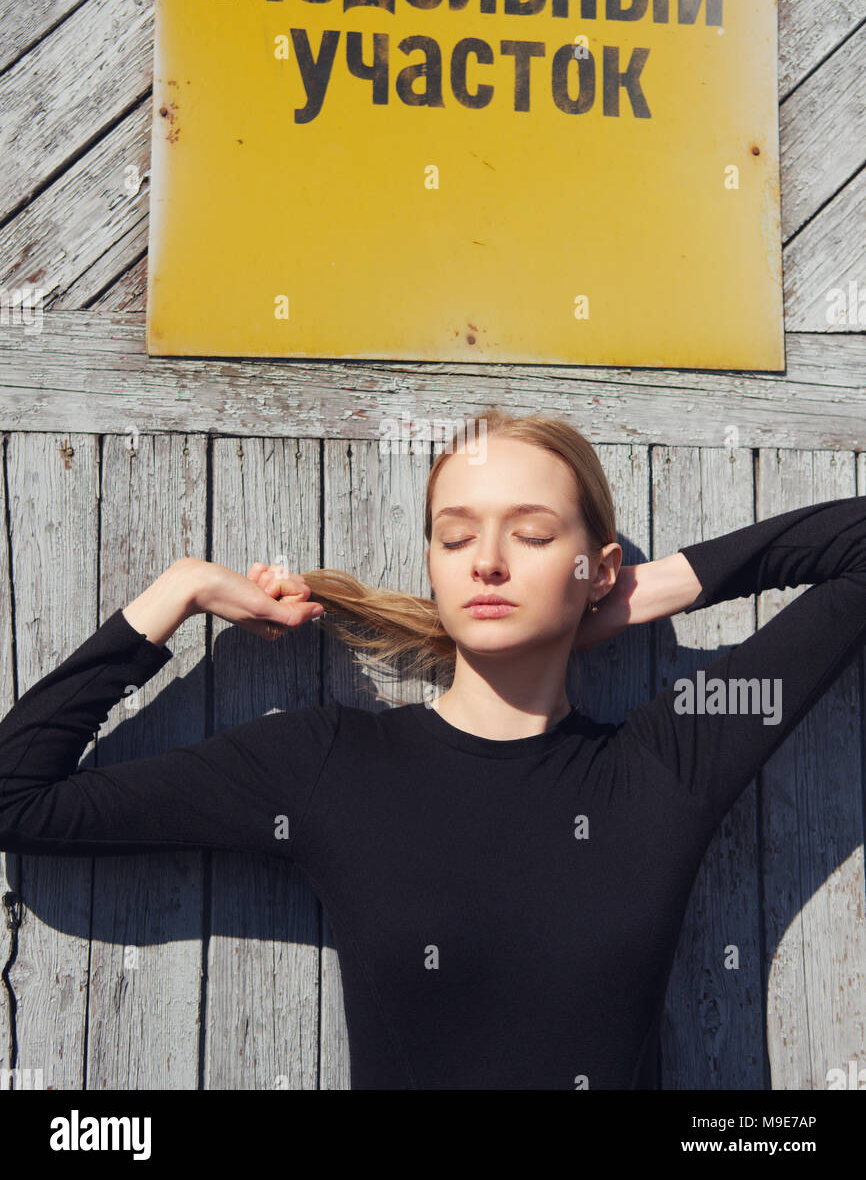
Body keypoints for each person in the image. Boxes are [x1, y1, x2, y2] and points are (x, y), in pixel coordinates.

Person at [1, 408, 864, 1090]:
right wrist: (179, 589)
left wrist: (633, 593)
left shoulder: (666, 766)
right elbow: (17, 797)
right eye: (456, 537)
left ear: (591, 566)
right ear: (433, 564)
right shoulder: (329, 765)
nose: (486, 561)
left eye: (531, 536)